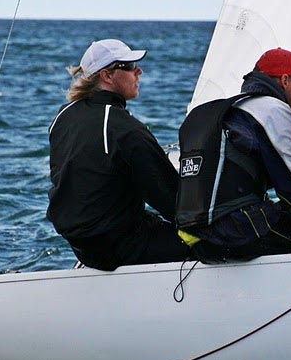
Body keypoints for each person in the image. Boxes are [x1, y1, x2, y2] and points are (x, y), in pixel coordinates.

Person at [176, 48, 291, 262]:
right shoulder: (271, 109)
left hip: (197, 238)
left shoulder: (231, 109)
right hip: (235, 234)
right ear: (285, 80)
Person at [46, 39, 189, 270]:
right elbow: (171, 200)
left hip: (83, 246)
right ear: (107, 76)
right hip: (121, 246)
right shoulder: (125, 129)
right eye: (130, 67)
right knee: (212, 242)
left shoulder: (63, 117)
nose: (139, 71)